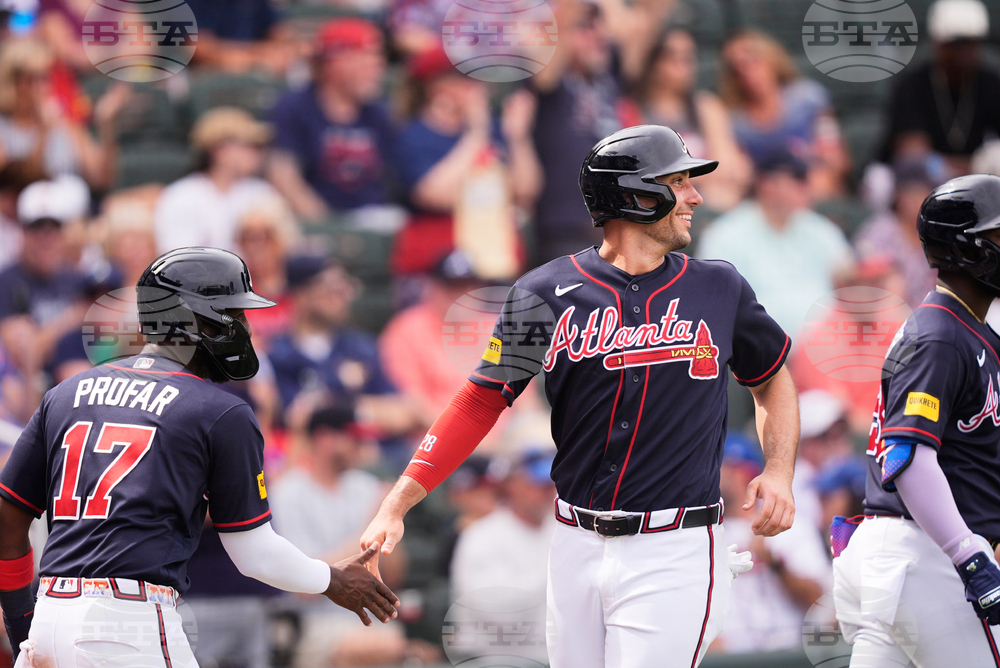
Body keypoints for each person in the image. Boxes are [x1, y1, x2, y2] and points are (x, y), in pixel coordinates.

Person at [360, 124, 799, 667]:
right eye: (679, 182)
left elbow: (773, 377)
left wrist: (779, 470)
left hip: (675, 545)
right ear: (635, 194)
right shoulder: (544, 292)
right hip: (572, 541)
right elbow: (480, 401)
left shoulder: (719, 287)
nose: (695, 197)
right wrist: (398, 502)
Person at [0, 247, 398, 664]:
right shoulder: (220, 410)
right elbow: (255, 554)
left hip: (50, 614)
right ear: (193, 320)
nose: (244, 327)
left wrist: (25, 628)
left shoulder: (64, 394)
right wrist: (332, 579)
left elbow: (7, 524)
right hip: (128, 623)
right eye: (233, 314)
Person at [833, 174, 1000, 665]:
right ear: (968, 249)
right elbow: (905, 456)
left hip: (902, 555)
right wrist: (968, 554)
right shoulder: (941, 333)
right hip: (931, 554)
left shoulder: (963, 330)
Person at [696, 148, 854, 339]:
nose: (801, 187)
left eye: (802, 180)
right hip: (762, 348)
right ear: (764, 183)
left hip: (829, 342)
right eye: (793, 179)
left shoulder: (818, 228)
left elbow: (848, 277)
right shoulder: (726, 233)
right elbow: (713, 299)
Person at [267, 18, 395, 223]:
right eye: (366, 59)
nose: (377, 69)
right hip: (312, 221)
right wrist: (328, 227)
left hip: (374, 218)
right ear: (335, 63)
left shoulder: (379, 112)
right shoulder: (294, 107)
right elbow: (284, 177)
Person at [715, 433, 829, 653]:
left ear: (744, 473)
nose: (717, 475)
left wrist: (776, 564)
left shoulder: (789, 525)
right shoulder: (706, 534)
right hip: (731, 655)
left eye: (726, 467)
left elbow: (819, 603)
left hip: (790, 652)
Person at [719, 30, 849, 201]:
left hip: (811, 182)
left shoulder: (807, 98)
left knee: (821, 183)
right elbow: (742, 173)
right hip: (764, 195)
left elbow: (836, 157)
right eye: (737, 68)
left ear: (772, 59)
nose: (747, 72)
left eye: (753, 61)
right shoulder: (735, 122)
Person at [631, 28, 750, 212]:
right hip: (659, 207)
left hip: (708, 201)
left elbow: (729, 167)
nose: (683, 66)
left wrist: (678, 177)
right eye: (673, 57)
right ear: (653, 61)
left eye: (688, 58)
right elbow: (646, 176)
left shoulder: (706, 106)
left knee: (725, 196)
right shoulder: (634, 109)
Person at [880, 0, 1000, 175]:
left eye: (971, 42)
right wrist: (978, 166)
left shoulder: (991, 84)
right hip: (911, 178)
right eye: (956, 44)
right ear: (938, 44)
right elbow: (913, 156)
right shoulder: (913, 85)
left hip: (973, 179)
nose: (965, 51)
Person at [154, 106, 278, 253]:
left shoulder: (263, 193)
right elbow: (178, 261)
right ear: (219, 149)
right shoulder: (181, 196)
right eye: (250, 145)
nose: (257, 153)